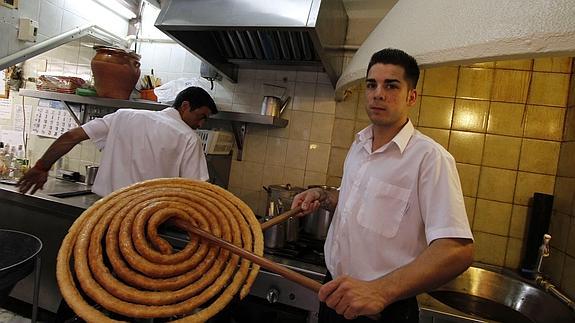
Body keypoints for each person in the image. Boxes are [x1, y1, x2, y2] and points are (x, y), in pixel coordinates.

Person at [291, 48, 474, 323]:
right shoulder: (360, 144)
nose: (378, 93)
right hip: (333, 293)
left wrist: (379, 291)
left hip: (382, 309)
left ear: (411, 97)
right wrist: (323, 196)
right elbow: (360, 200)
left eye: (391, 85)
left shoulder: (429, 158)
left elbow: (457, 249)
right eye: (371, 85)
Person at [17, 86, 217, 196]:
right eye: (201, 116)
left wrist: (42, 166)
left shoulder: (123, 116)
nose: (200, 124)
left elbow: (72, 136)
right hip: (145, 221)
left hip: (103, 212)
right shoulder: (189, 138)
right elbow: (196, 191)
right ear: (185, 106)